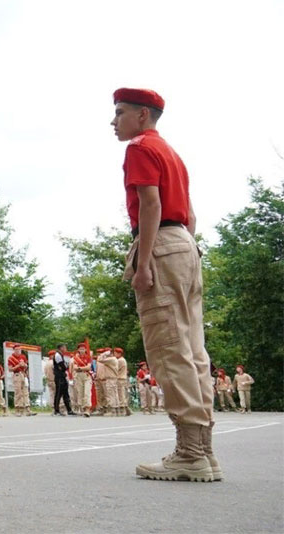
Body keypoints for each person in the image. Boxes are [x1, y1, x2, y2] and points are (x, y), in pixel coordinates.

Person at [113, 87, 217, 482]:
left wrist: (144, 262)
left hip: (161, 244)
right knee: (193, 349)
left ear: (142, 115)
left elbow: (151, 204)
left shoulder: (139, 148)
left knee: (169, 347)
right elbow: (189, 214)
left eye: (120, 112)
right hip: (185, 245)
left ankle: (190, 453)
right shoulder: (172, 153)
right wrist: (183, 248)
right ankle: (205, 450)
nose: (113, 121)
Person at [8, 348, 33, 416]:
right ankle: (18, 409)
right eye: (17, 350)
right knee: (18, 392)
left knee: (25, 392)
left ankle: (27, 409)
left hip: (23, 374)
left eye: (19, 350)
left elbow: (26, 365)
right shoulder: (11, 358)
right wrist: (18, 365)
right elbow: (10, 369)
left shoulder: (23, 357)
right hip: (17, 374)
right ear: (14, 350)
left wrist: (24, 365)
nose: (18, 351)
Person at [97, 348, 119, 417]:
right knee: (114, 394)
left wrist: (104, 354)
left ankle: (112, 411)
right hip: (113, 379)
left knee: (110, 395)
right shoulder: (113, 359)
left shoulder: (111, 359)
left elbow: (99, 359)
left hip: (110, 379)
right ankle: (116, 410)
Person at [52, 344, 73, 416]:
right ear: (61, 348)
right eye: (64, 348)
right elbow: (63, 366)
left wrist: (65, 366)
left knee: (65, 394)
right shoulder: (57, 355)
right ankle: (56, 410)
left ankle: (69, 410)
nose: (65, 349)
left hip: (62, 376)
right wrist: (66, 366)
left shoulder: (60, 355)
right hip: (59, 377)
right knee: (58, 393)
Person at [72, 343, 92, 417]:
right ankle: (82, 408)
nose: (82, 350)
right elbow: (74, 367)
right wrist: (83, 368)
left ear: (85, 349)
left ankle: (87, 409)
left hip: (86, 376)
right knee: (80, 392)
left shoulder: (88, 357)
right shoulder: (76, 358)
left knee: (87, 392)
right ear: (78, 350)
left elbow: (89, 367)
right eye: (80, 349)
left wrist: (80, 368)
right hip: (79, 376)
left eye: (83, 349)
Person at [114, 348, 131, 416]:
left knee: (121, 394)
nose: (114, 354)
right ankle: (126, 408)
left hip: (120, 378)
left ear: (119, 353)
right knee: (122, 393)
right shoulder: (122, 360)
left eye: (115, 353)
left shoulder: (120, 360)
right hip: (123, 378)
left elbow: (115, 369)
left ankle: (123, 409)